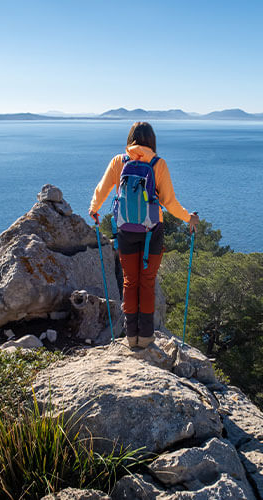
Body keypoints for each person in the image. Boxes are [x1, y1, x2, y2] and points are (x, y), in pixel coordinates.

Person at [90, 122, 198, 348]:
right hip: (152, 232)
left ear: (130, 139)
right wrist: (189, 218)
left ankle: (131, 337)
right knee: (147, 283)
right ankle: (146, 336)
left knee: (130, 282)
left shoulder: (119, 161)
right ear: (152, 141)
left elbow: (103, 188)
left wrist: (94, 208)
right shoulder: (158, 164)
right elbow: (169, 202)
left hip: (125, 229)